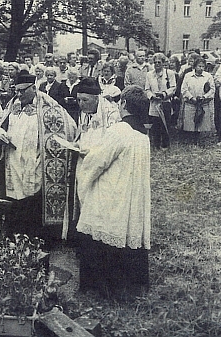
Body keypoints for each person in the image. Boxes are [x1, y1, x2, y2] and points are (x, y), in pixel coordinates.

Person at [76, 84, 151, 298]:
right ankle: (131, 283)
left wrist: (85, 167)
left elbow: (97, 162)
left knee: (99, 224)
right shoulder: (143, 134)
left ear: (124, 104)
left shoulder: (118, 131)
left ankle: (99, 286)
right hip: (132, 192)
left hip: (113, 191)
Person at [0, 71, 77, 247]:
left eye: (22, 91)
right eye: (16, 91)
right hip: (13, 163)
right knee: (14, 201)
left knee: (32, 202)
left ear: (33, 88)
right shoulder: (13, 104)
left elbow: (70, 127)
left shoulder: (49, 107)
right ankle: (15, 237)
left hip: (35, 163)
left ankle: (36, 239)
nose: (19, 95)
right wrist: (0, 134)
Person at [179, 57, 215, 144]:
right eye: (199, 66)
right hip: (191, 102)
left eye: (203, 66)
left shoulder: (208, 76)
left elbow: (212, 89)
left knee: (201, 121)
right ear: (195, 66)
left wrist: (205, 96)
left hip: (202, 102)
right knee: (189, 121)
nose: (201, 68)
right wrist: (191, 97)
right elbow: (184, 89)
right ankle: (189, 138)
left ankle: (198, 138)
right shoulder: (188, 76)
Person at [145, 53, 177, 149]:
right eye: (155, 62)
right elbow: (147, 89)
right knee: (155, 124)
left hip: (165, 102)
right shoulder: (149, 74)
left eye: (159, 62)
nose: (157, 64)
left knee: (165, 123)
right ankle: (156, 144)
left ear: (163, 63)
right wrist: (152, 96)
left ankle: (165, 144)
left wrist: (164, 94)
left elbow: (173, 87)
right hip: (154, 103)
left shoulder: (169, 73)